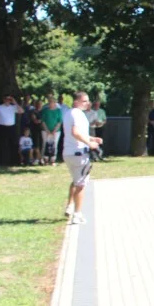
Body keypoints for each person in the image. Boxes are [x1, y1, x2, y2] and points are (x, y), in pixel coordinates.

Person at [62, 92, 102, 225]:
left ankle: (70, 206)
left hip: (68, 152)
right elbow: (75, 132)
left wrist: (92, 138)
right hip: (78, 153)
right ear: (76, 101)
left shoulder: (68, 113)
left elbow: (79, 133)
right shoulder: (77, 114)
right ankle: (77, 214)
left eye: (88, 101)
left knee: (75, 180)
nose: (87, 103)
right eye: (84, 101)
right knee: (81, 184)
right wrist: (90, 144)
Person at [0, 94, 23, 166]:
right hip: (2, 127)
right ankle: (3, 161)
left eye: (9, 99)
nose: (7, 101)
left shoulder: (13, 107)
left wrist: (15, 102)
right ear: (3, 99)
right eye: (6, 99)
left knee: (13, 144)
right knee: (3, 145)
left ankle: (14, 161)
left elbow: (22, 111)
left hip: (11, 127)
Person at [41, 96, 62, 166]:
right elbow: (43, 121)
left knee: (54, 144)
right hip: (45, 131)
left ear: (55, 103)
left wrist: (54, 131)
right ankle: (45, 159)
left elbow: (59, 122)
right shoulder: (45, 110)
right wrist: (47, 130)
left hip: (56, 131)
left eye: (52, 102)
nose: (50, 103)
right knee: (45, 144)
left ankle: (53, 160)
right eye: (49, 102)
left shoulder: (58, 111)